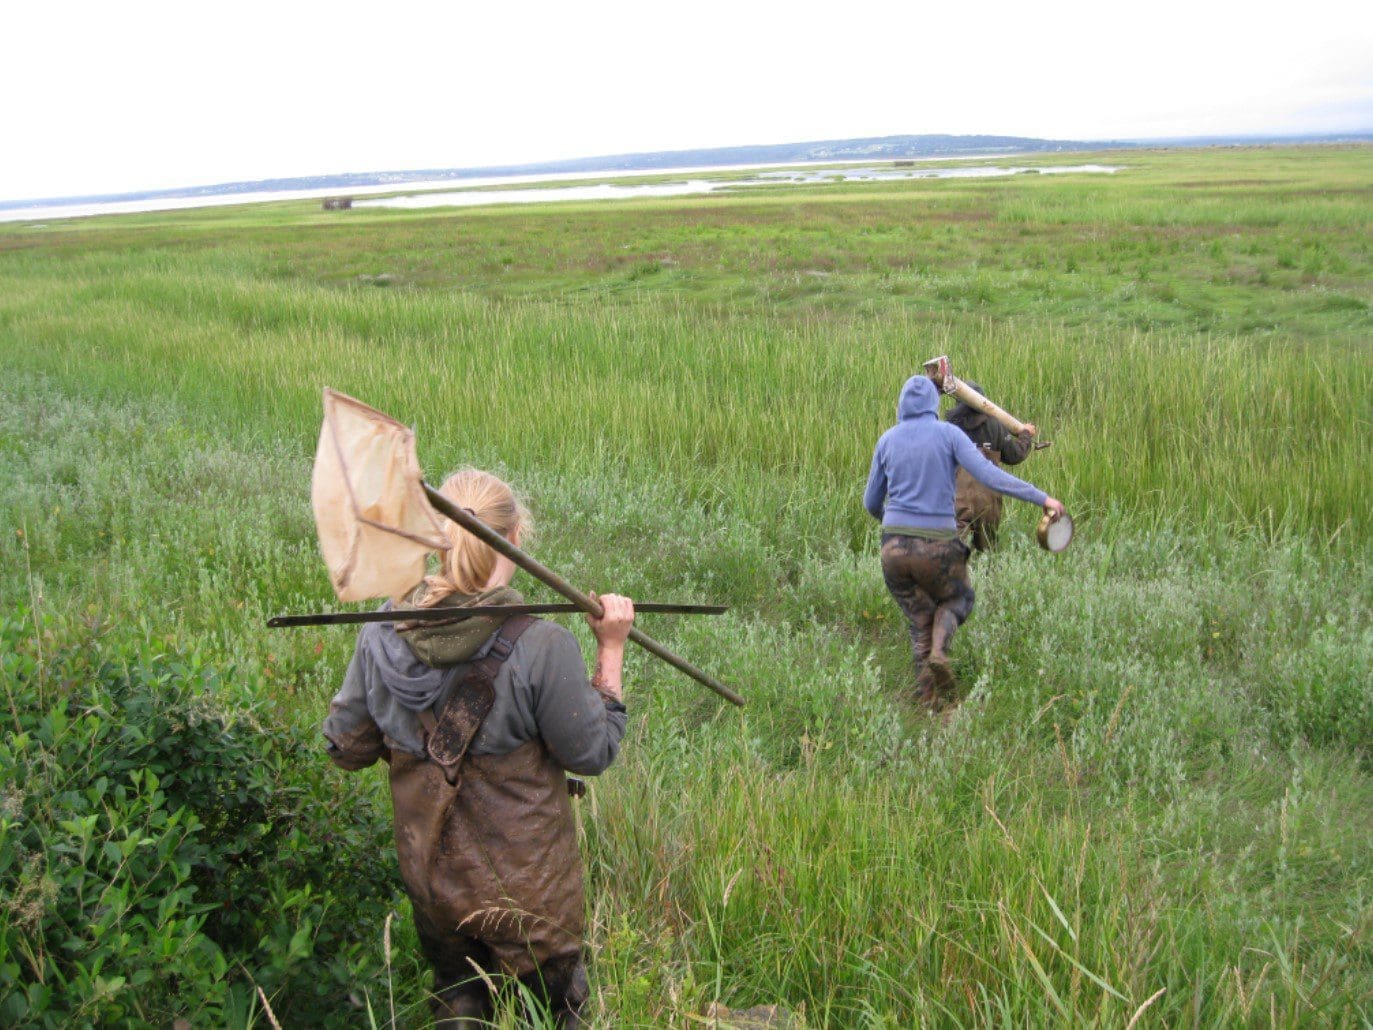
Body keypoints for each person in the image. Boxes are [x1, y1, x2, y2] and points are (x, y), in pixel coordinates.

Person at [322, 469, 633, 1027]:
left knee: (458, 1006)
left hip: (436, 891)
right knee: (556, 1014)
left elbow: (345, 748)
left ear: (435, 539)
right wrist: (610, 652)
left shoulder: (377, 635)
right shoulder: (542, 646)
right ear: (514, 540)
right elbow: (593, 752)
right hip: (531, 902)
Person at [864, 376, 1063, 712]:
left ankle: (928, 701)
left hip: (893, 548)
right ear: (933, 404)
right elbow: (992, 476)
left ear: (901, 405)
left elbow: (871, 502)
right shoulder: (948, 435)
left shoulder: (887, 440)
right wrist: (1041, 498)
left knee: (919, 620)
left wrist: (898, 525)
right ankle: (941, 651)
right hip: (939, 545)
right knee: (958, 598)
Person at [945, 381, 1038, 552]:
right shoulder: (994, 426)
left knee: (953, 556)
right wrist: (1025, 435)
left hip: (955, 499)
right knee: (986, 554)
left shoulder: (948, 427)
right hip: (987, 500)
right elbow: (1014, 455)